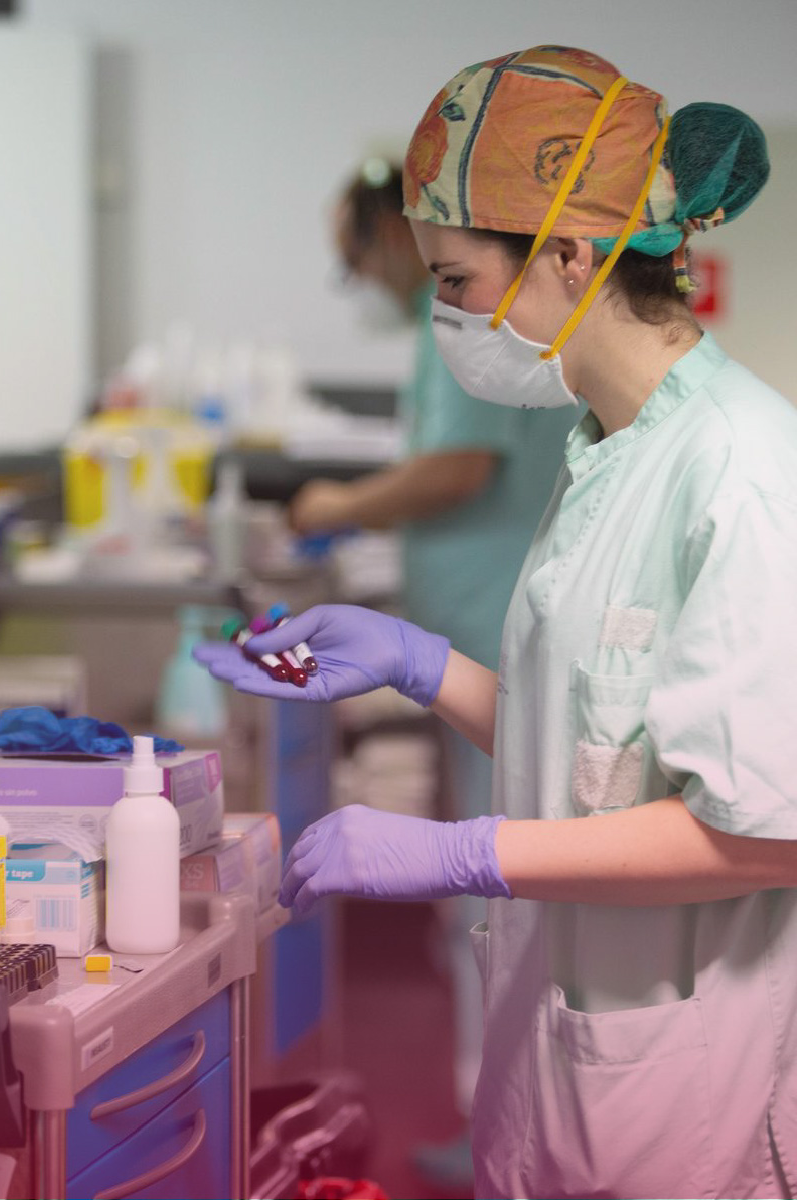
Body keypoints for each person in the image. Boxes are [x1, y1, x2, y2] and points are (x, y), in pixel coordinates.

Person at [196, 45, 795, 1200]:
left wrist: (462, 853)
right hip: (569, 1068)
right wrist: (421, 667)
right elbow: (601, 751)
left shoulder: (743, 472)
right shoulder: (610, 445)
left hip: (689, 1107)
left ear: (570, 254)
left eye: (457, 280)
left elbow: (765, 833)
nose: (446, 315)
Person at [292, 159, 574, 1183]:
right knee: (501, 889)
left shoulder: (463, 318)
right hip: (484, 626)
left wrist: (339, 506)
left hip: (496, 626)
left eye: (354, 257)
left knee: (499, 893)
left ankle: (507, 1128)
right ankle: (507, 1118)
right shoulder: (461, 319)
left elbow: (462, 466)